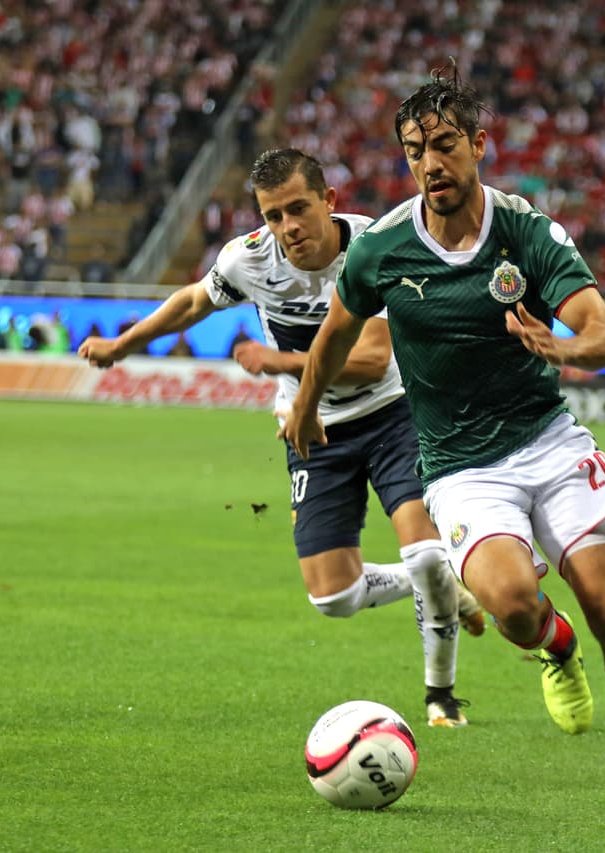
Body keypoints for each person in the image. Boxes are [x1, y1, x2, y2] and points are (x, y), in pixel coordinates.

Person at [282, 69, 605, 787]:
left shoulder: (528, 232)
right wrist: (306, 404)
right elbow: (335, 334)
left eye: (445, 145)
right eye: (415, 151)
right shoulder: (382, 249)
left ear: (479, 145)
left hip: (550, 442)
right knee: (511, 606)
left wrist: (559, 345)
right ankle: (554, 643)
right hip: (459, 466)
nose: (430, 163)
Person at [79, 148, 487, 727]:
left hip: (393, 412)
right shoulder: (248, 260)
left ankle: (440, 695)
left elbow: (371, 360)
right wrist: (123, 346)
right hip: (310, 426)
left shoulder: (373, 246)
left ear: (329, 201)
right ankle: (444, 578)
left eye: (298, 208)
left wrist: (278, 360)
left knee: (421, 551)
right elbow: (194, 301)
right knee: (333, 597)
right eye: (273, 215)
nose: (287, 227)